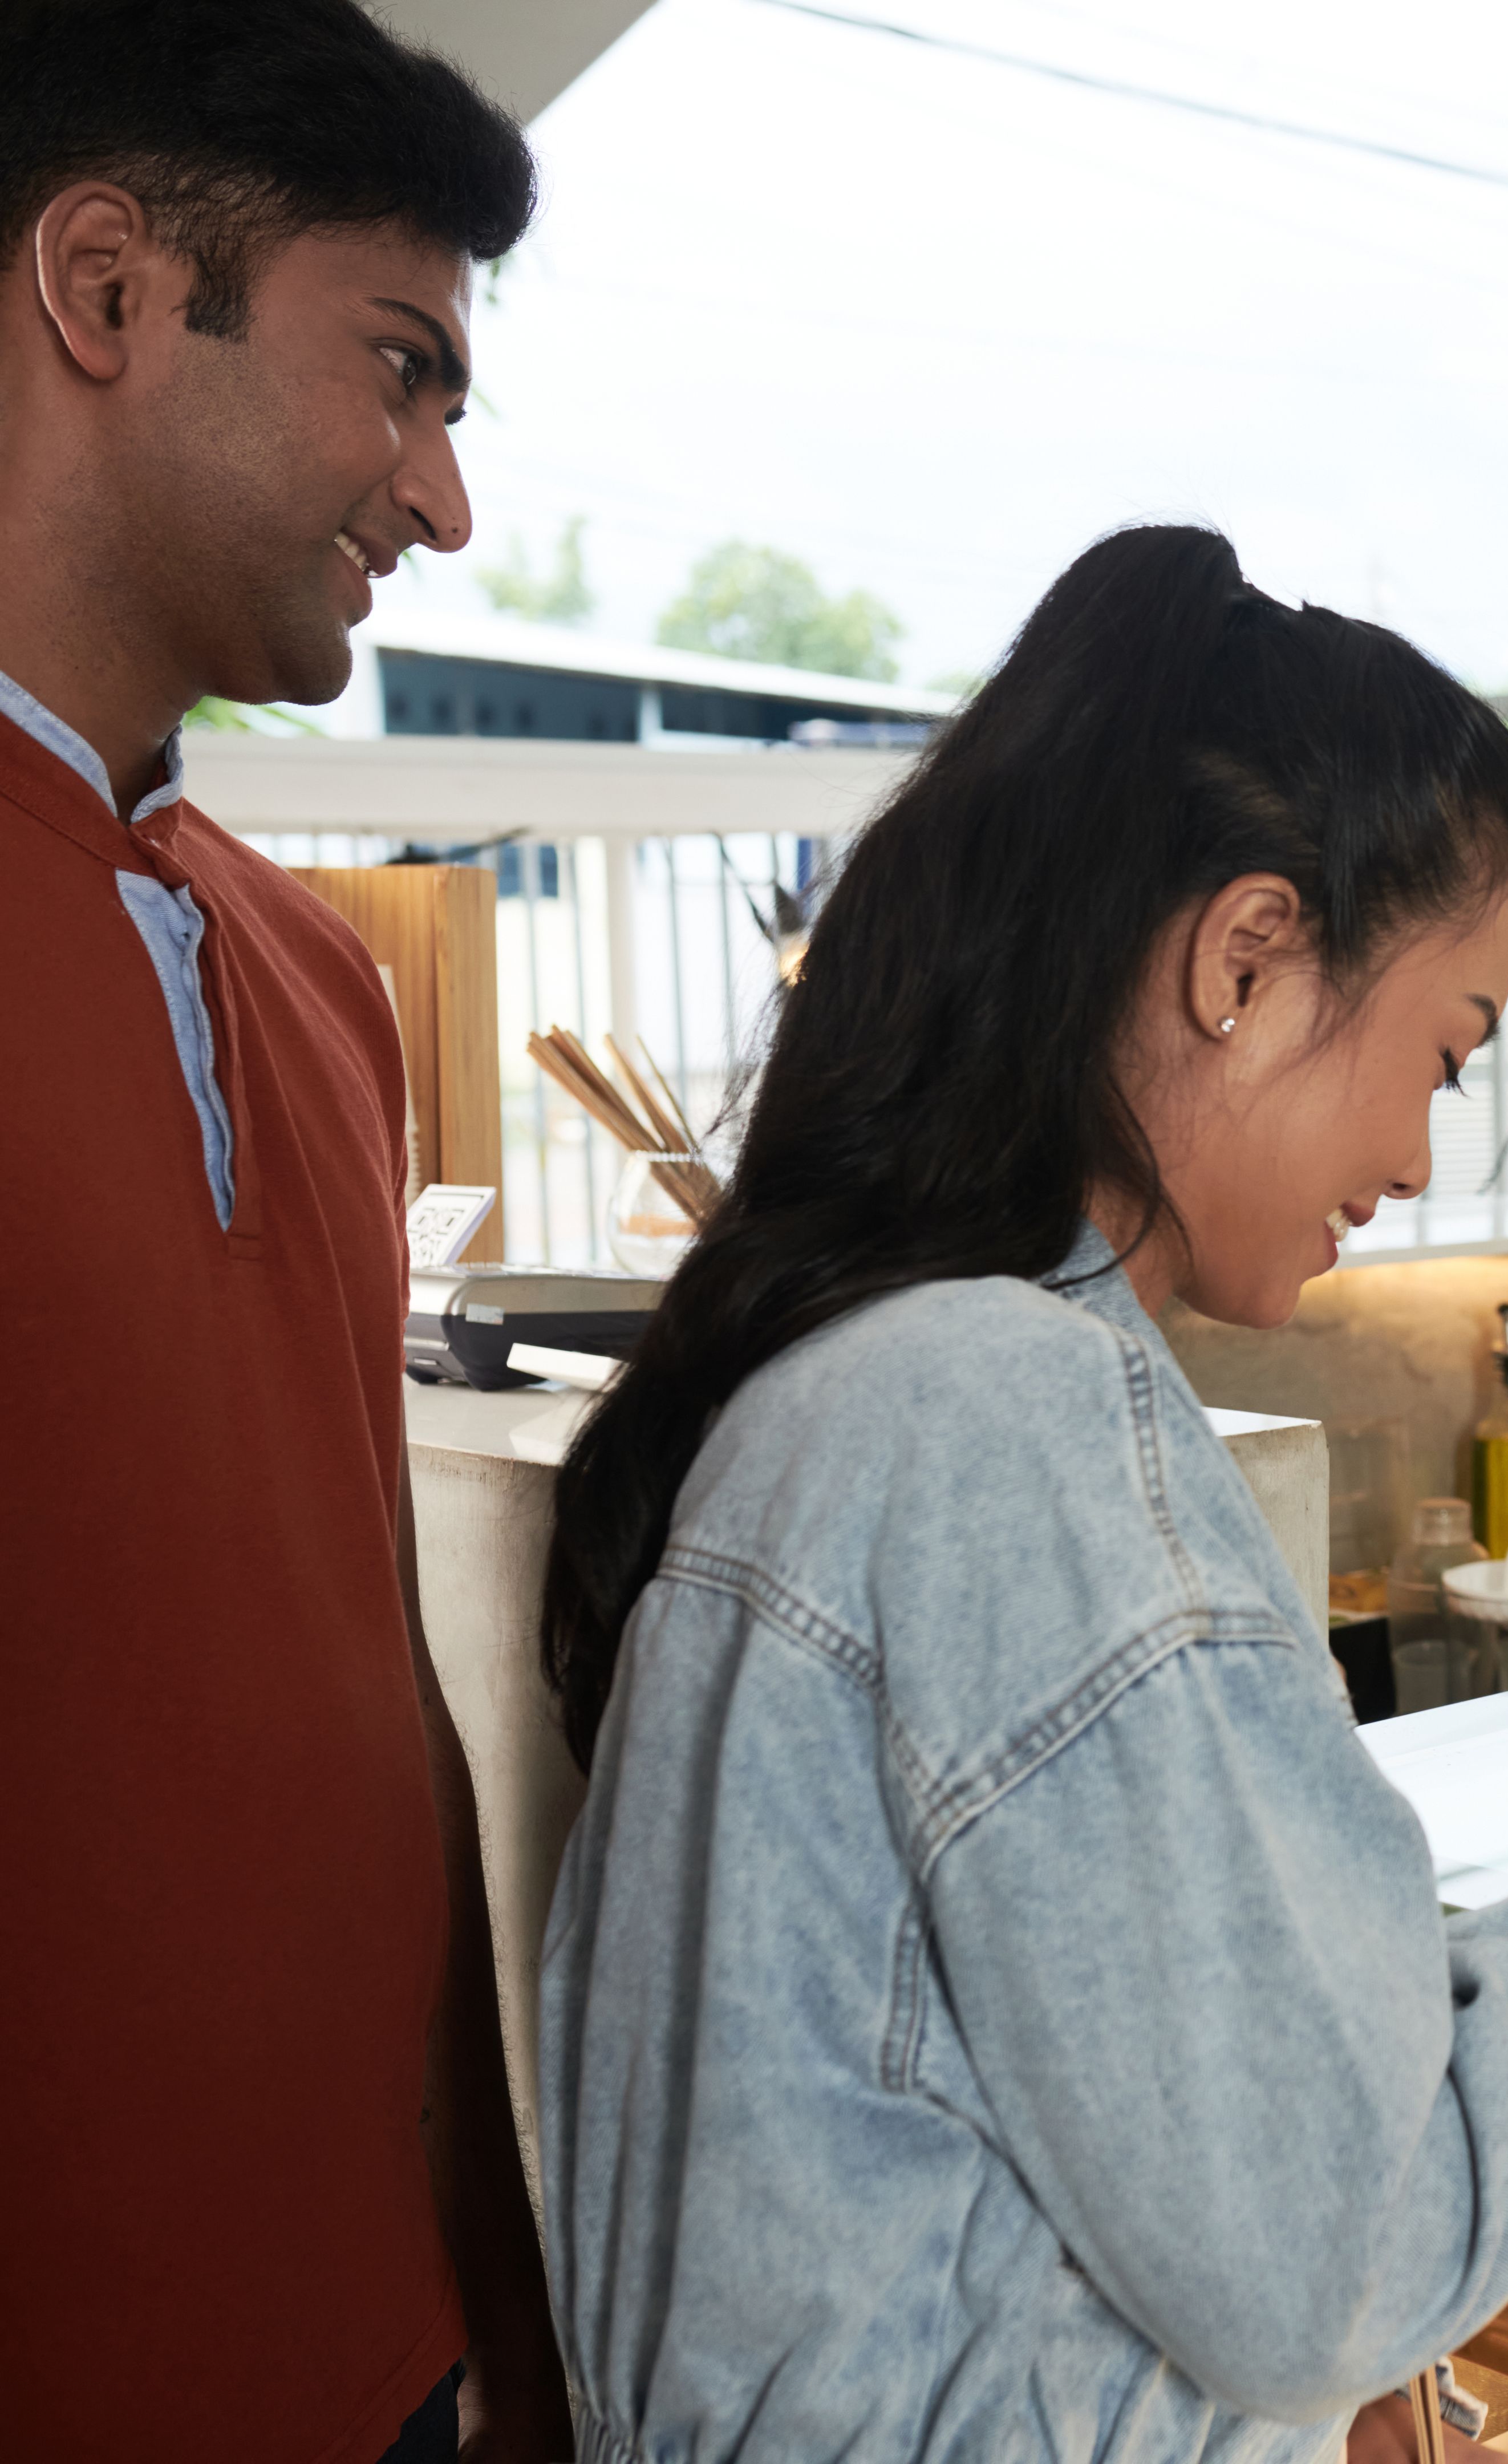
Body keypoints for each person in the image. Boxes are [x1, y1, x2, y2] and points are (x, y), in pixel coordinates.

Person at [534, 524, 1508, 2458]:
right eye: (1443, 1057)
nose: (1423, 1159)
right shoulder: (1011, 1425)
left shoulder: (858, 1378)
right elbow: (1327, 2253)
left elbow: (1138, 2129)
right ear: (1246, 958)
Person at [0, 6, 567, 2458]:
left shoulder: (327, 985)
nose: (440, 501)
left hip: (384, 2361)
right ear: (109, 291)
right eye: (402, 374)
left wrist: (505, 2313)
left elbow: (376, 1702)